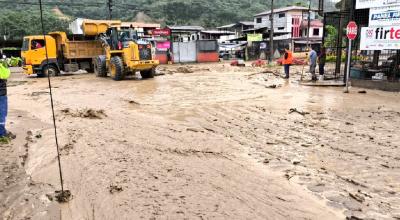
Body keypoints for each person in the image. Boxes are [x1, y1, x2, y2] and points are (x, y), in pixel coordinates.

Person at [0, 62, 10, 138]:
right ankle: (2, 133)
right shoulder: (1, 66)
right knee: (2, 114)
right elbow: (6, 75)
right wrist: (5, 65)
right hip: (1, 94)